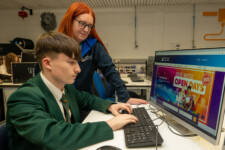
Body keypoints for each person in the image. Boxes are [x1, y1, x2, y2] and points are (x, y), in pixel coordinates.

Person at [6, 32, 138, 150]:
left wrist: (110, 106)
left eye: (78, 63)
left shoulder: (65, 88)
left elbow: (86, 98)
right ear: (47, 63)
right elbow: (55, 136)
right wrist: (109, 125)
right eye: (71, 63)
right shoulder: (23, 98)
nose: (78, 69)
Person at [58, 2, 148, 105]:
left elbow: (110, 70)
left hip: (86, 103)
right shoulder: (55, 45)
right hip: (61, 102)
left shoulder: (93, 46)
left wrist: (124, 97)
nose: (86, 29)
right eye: (82, 24)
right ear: (70, 20)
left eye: (90, 26)